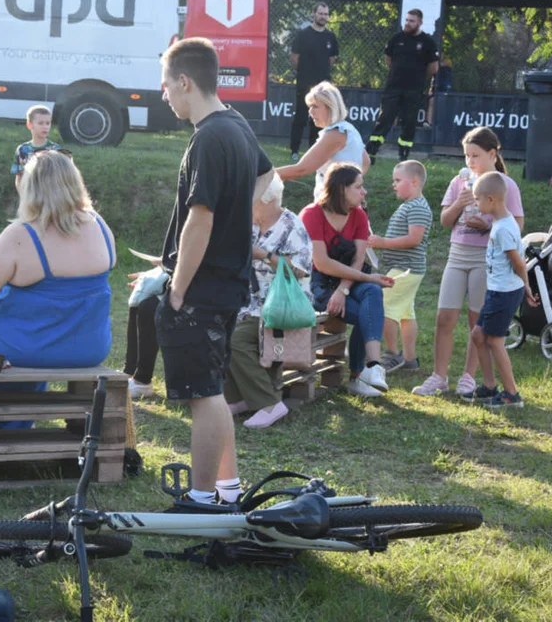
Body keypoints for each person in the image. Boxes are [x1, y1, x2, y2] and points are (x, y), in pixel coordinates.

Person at [157, 37, 273, 507]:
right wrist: (238, 213)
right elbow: (267, 177)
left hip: (203, 287)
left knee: (201, 397)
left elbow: (199, 219)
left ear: (185, 82)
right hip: (230, 282)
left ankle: (201, 500)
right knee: (213, 392)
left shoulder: (208, 136)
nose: (164, 95)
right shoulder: (238, 124)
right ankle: (227, 488)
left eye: (166, 86)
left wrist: (178, 289)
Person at [0, 150, 115, 428]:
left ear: (30, 186)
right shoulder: (100, 226)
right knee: (35, 340)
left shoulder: (22, 235)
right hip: (88, 346)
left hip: (26, 346)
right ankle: (16, 423)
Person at [415, 127, 524, 397]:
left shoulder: (504, 185)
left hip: (484, 259)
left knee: (476, 320)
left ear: (492, 154)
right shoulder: (459, 183)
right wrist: (459, 204)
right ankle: (439, 376)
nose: (469, 162)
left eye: (475, 156)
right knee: (444, 317)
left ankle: (468, 376)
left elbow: (516, 225)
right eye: (466, 156)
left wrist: (486, 228)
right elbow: (444, 221)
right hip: (457, 254)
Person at [225, 174, 313, 429]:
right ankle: (238, 397)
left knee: (237, 340)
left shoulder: (291, 225)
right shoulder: (250, 224)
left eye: (251, 201)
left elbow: (300, 271)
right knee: (218, 329)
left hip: (281, 305)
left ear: (268, 200)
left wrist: (264, 255)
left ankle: (269, 403)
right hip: (247, 301)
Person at [300, 163, 395, 398]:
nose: (364, 192)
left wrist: (343, 290)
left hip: (349, 280)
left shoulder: (359, 215)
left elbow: (358, 258)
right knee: (368, 310)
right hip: (318, 281)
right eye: (358, 187)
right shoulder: (312, 214)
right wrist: (363, 278)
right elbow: (322, 262)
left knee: (373, 293)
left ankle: (372, 367)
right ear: (341, 189)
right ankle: (358, 375)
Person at [459, 172, 538, 407]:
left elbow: (518, 262)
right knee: (477, 335)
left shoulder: (503, 228)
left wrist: (525, 285)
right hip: (497, 290)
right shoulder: (502, 222)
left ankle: (511, 394)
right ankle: (490, 386)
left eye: (477, 199)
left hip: (504, 293)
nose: (475, 203)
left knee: (494, 341)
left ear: (491, 199)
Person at [367, 160, 432, 372]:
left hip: (406, 268)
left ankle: (392, 354)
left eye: (397, 180)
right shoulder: (408, 206)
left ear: (414, 181)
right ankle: (410, 359)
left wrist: (383, 242)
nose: (393, 184)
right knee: (406, 314)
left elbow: (414, 239)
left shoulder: (418, 207)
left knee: (384, 307)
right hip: (403, 267)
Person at [366, 9, 439, 163]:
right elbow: (388, 59)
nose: (407, 23)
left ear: (419, 23)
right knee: (384, 118)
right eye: (406, 20)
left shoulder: (428, 42)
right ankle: (371, 151)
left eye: (411, 21)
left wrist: (419, 79)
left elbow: (433, 68)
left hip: (414, 90)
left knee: (409, 122)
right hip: (393, 87)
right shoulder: (396, 39)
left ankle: (403, 155)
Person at [276, 81, 369, 202]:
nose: (310, 112)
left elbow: (301, 169)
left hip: (335, 206)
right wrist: (351, 184)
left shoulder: (335, 134)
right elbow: (366, 162)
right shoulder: (349, 129)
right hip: (347, 204)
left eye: (315, 106)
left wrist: (262, 176)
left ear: (330, 107)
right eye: (309, 107)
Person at [289, 2, 339, 161]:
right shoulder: (303, 35)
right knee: (301, 117)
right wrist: (305, 73)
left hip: (323, 86)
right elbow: (294, 58)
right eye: (321, 13)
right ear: (314, 14)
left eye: (326, 14)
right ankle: (294, 151)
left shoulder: (331, 37)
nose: (323, 17)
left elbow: (332, 58)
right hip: (304, 83)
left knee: (320, 118)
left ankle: (314, 151)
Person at [11, 105, 64, 191]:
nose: (45, 127)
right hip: (29, 196)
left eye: (48, 123)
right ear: (29, 125)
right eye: (40, 123)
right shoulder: (22, 150)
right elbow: (19, 178)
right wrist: (23, 197)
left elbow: (60, 178)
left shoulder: (55, 149)